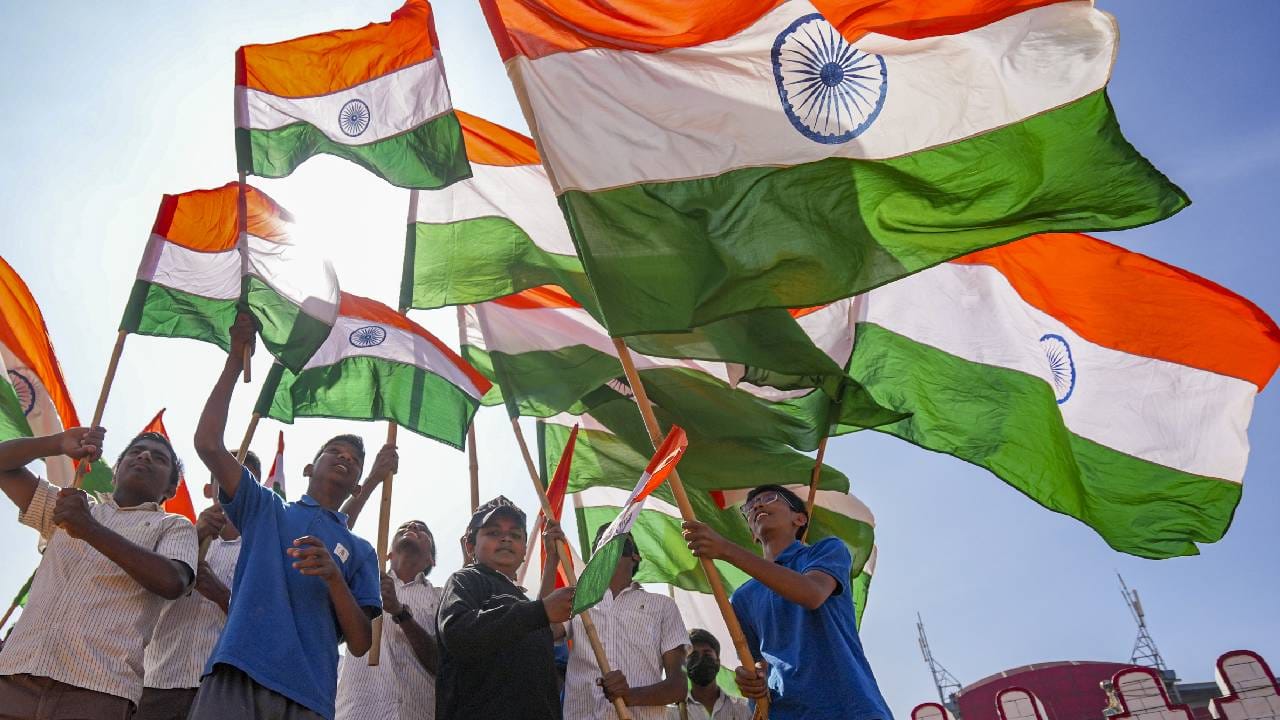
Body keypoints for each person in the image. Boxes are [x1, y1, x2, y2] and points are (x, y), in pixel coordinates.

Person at [188, 314, 381, 720]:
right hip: (237, 670)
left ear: (358, 487)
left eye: (354, 460)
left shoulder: (361, 551)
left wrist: (333, 577)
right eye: (335, 452)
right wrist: (233, 362)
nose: (345, 459)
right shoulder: (266, 507)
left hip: (308, 694)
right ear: (309, 467)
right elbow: (208, 444)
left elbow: (361, 642)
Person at [0, 427, 197, 720]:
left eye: (159, 458)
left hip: (99, 690)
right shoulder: (70, 504)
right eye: (135, 451)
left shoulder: (173, 526)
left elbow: (173, 581)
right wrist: (57, 442)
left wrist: (89, 528)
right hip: (15, 677)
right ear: (115, 472)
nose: (144, 456)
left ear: (170, 490)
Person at [682, 485, 892, 720]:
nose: (757, 505)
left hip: (849, 706)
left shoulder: (825, 551)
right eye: (749, 507)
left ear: (800, 519)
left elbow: (812, 594)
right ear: (753, 534)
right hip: (787, 712)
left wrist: (726, 550)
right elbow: (760, 664)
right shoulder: (742, 598)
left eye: (770, 498)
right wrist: (751, 680)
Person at [135, 452, 258, 720]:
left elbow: (264, 627)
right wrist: (194, 537)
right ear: (208, 489)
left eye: (243, 480)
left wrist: (221, 594)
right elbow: (140, 595)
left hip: (221, 692)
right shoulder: (172, 536)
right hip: (157, 681)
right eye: (223, 476)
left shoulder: (263, 555)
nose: (233, 484)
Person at [435, 495, 575, 720]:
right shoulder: (466, 580)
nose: (506, 539)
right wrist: (540, 611)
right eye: (493, 533)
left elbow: (539, 625)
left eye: (516, 535)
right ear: (470, 546)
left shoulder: (524, 605)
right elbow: (458, 632)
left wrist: (551, 561)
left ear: (524, 551)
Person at [335, 439, 442, 720]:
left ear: (431, 560)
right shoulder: (363, 576)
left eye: (423, 530)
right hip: (358, 712)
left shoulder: (443, 596)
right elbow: (334, 529)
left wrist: (400, 613)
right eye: (405, 526)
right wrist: (373, 479)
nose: (413, 527)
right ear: (388, 553)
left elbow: (441, 662)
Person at [564, 527, 687, 719]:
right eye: (602, 542)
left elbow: (678, 687)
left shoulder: (663, 606)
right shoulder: (575, 601)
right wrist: (552, 561)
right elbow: (542, 631)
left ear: (635, 556)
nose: (610, 544)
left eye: (619, 540)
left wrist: (629, 696)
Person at [667, 629, 750, 720]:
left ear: (718, 662)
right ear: (684, 664)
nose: (700, 660)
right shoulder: (672, 714)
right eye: (694, 656)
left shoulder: (743, 709)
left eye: (707, 654)